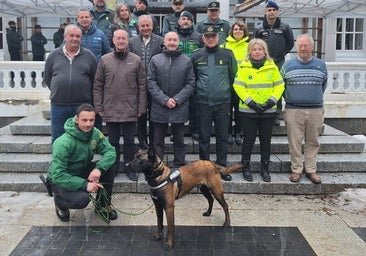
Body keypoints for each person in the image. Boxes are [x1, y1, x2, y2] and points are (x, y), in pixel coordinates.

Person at [46, 103, 117, 222]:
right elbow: (58, 175)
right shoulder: (63, 142)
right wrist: (85, 185)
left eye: (91, 120)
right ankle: (60, 204)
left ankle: (102, 205)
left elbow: (110, 152)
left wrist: (98, 169)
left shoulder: (94, 133)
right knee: (82, 200)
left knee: (108, 166)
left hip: (80, 170)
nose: (88, 124)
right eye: (84, 120)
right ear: (77, 119)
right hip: (61, 179)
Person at [94, 29, 147, 181]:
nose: (121, 41)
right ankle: (114, 167)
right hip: (111, 108)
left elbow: (142, 85)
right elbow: (98, 85)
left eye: (124, 38)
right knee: (112, 142)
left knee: (130, 142)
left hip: (130, 108)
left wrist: (141, 107)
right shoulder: (105, 60)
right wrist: (99, 107)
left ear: (127, 41)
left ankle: (130, 168)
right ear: (113, 41)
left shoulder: (136, 60)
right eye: (118, 38)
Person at [233, 38, 284, 182]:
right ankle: (246, 167)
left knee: (265, 141)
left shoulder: (272, 67)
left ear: (264, 51)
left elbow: (280, 86)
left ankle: (265, 168)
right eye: (254, 49)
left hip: (268, 111)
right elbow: (238, 87)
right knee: (248, 140)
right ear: (250, 51)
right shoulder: (243, 68)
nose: (257, 52)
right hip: (248, 111)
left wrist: (270, 102)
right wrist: (251, 103)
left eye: (260, 49)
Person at [191, 26, 237, 181]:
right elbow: (192, 78)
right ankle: (204, 170)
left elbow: (233, 77)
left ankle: (221, 169)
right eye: (207, 36)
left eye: (213, 36)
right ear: (203, 38)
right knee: (204, 138)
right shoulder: (196, 56)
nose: (210, 39)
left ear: (218, 37)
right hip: (203, 103)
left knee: (222, 137)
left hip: (223, 103)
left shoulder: (228, 55)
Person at [281, 34, 327, 184]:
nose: (303, 48)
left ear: (312, 47)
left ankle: (311, 170)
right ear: (296, 47)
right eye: (300, 45)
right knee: (295, 142)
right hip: (294, 110)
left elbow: (323, 85)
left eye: (306, 45)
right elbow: (282, 86)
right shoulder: (287, 66)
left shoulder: (321, 65)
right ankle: (296, 170)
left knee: (313, 141)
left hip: (315, 110)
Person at [147, 31, 195, 167]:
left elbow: (190, 83)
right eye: (169, 40)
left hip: (179, 107)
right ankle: (158, 165)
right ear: (164, 42)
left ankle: (179, 164)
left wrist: (177, 99)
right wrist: (164, 100)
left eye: (175, 40)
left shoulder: (186, 60)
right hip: (159, 106)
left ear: (178, 42)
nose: (172, 43)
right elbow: (151, 82)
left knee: (179, 140)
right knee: (157, 141)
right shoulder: (155, 60)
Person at [44, 24, 98, 143]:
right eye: (71, 35)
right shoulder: (53, 56)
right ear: (65, 36)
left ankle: (81, 162)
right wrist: (59, 89)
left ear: (81, 38)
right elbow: (47, 78)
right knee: (58, 138)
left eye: (77, 36)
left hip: (81, 106)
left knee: (82, 137)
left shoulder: (89, 56)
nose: (74, 39)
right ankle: (59, 162)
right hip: (58, 104)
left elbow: (95, 79)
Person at [253, 0, 294, 126]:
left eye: (273, 10)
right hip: (264, 62)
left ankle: (276, 113)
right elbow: (255, 44)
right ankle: (263, 110)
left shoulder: (285, 27)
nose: (271, 12)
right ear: (265, 12)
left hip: (279, 61)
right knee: (265, 86)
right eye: (269, 10)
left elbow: (290, 43)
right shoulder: (259, 28)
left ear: (277, 11)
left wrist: (281, 53)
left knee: (278, 87)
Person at [129, 15, 164, 150]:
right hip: (138, 85)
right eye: (142, 25)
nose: (145, 28)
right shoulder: (132, 42)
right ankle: (142, 141)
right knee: (141, 115)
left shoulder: (160, 41)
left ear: (152, 26)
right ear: (138, 27)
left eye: (147, 25)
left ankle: (154, 142)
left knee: (154, 115)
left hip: (155, 84)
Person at [176, 11, 203, 141]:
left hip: (195, 73)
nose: (185, 21)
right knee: (178, 103)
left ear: (192, 22)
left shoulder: (199, 36)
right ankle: (176, 130)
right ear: (179, 22)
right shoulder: (173, 36)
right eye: (183, 19)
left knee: (194, 105)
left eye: (188, 19)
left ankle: (195, 129)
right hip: (177, 74)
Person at [222, 21, 250, 146]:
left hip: (243, 83)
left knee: (239, 110)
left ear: (244, 32)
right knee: (227, 109)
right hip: (228, 82)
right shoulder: (224, 45)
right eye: (235, 29)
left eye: (240, 29)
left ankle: (238, 132)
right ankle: (228, 132)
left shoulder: (249, 46)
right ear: (231, 31)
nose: (237, 31)